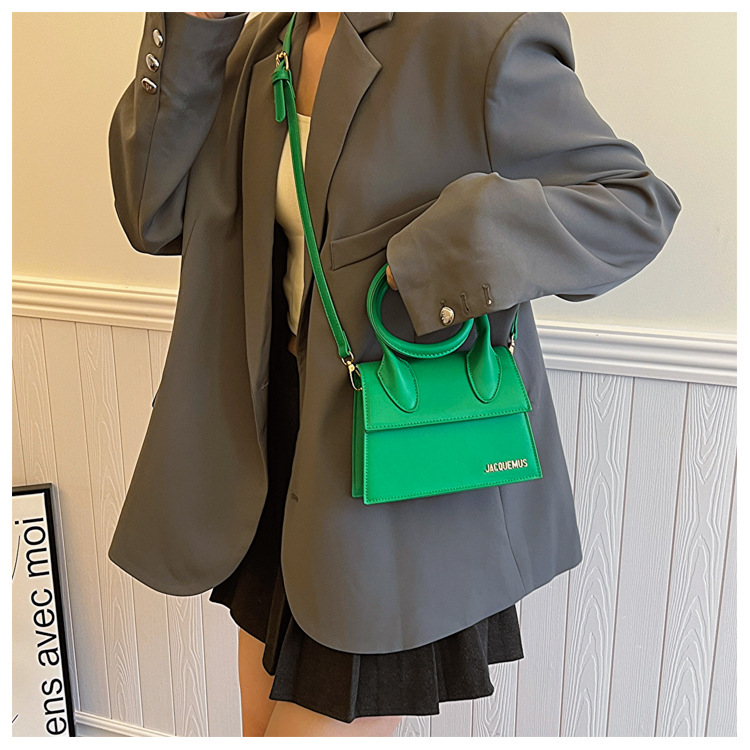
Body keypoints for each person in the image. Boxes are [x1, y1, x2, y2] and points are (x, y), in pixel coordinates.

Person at [107, 10, 681, 738]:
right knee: (257, 728)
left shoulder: (478, 36)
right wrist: (195, 21)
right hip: (271, 447)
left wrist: (442, 257)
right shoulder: (262, 44)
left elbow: (635, 206)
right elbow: (152, 212)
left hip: (391, 466)